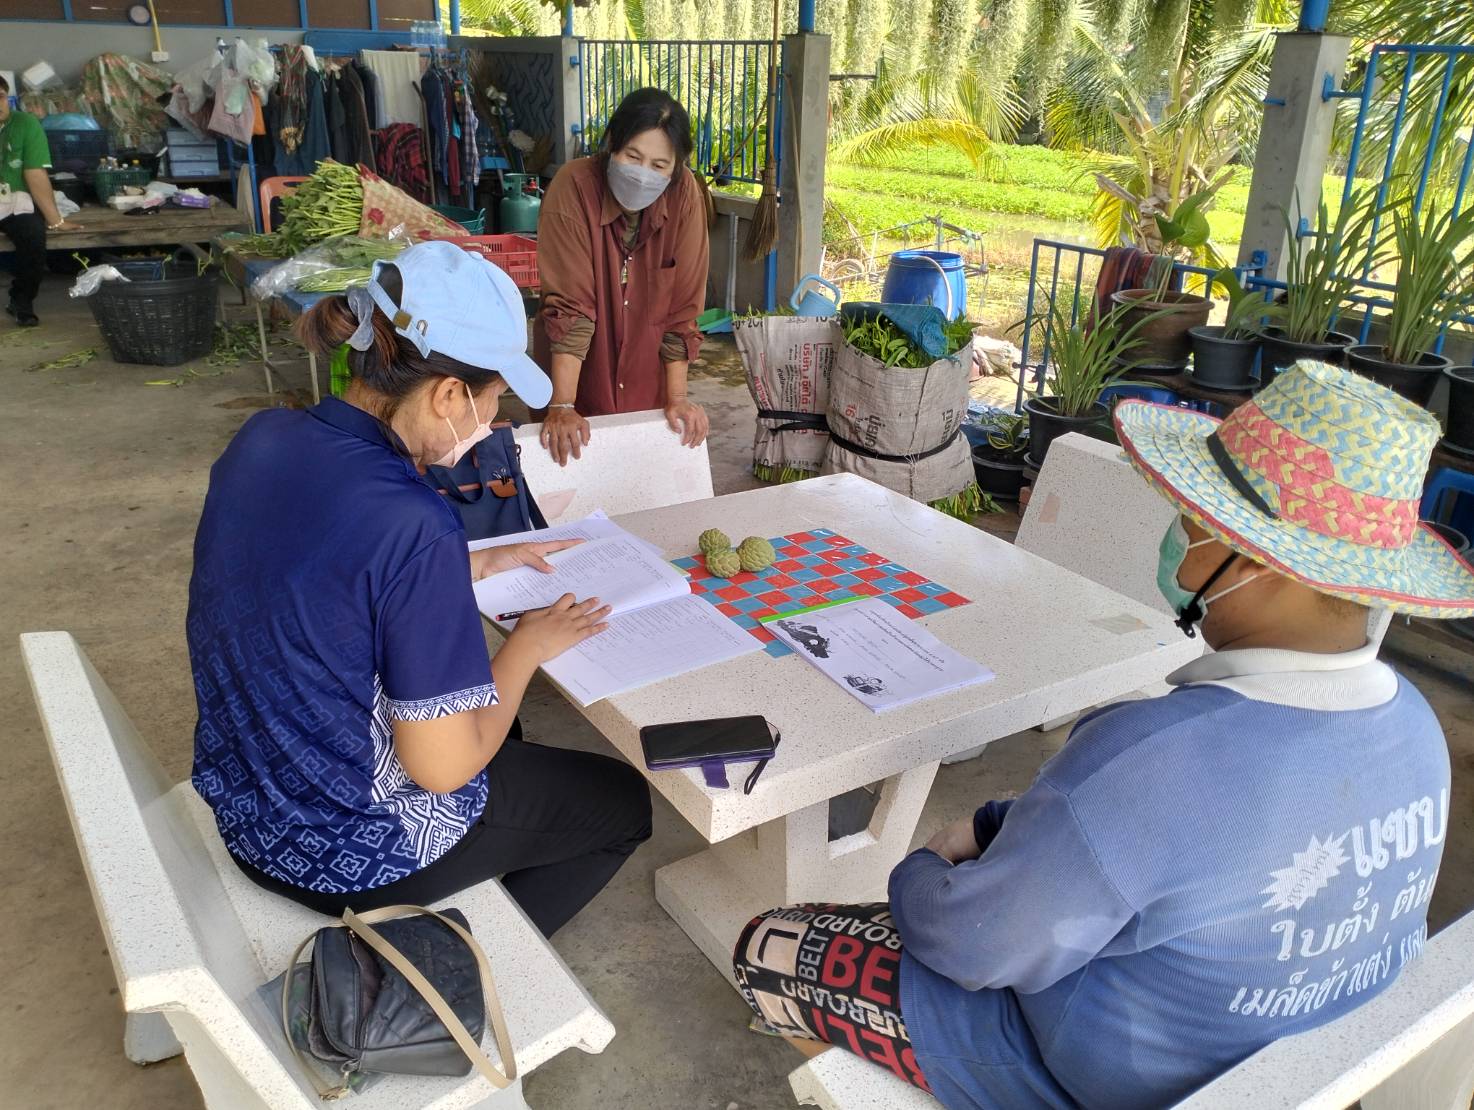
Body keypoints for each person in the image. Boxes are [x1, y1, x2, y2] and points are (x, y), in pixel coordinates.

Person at [733, 361, 1472, 1108]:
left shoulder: (1155, 757)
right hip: (1294, 1071)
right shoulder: (1418, 727)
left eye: (1194, 525)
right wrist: (999, 828)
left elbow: (972, 943)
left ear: (1263, 564)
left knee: (771, 943)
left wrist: (920, 869)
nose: (1176, 540)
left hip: (1108, 1082)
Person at [187, 240, 652, 937]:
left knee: (504, 730)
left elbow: (317, 567)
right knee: (622, 802)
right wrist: (526, 647)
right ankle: (461, 964)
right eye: (492, 402)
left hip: (250, 811)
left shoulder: (263, 438)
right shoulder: (415, 521)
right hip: (348, 855)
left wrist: (471, 565)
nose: (492, 424)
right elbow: (441, 770)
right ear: (448, 395)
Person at [533, 87, 710, 464]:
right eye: (633, 156)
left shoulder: (684, 195)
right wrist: (563, 405)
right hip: (578, 380)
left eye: (659, 165)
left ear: (675, 168)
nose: (643, 174)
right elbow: (571, 309)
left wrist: (678, 398)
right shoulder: (573, 186)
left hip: (647, 384)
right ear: (612, 142)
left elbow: (682, 311)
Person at [0, 76, 75, 327]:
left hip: (14, 201)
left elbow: (35, 173)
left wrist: (56, 220)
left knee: (33, 235)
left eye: (0, 97)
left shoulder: (25, 123)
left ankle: (21, 300)